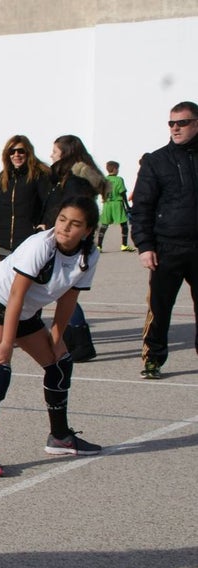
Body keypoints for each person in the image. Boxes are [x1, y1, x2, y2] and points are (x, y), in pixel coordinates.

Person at [0, 195, 103, 477]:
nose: (65, 227)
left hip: (25, 311)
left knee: (61, 362)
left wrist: (57, 338)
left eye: (75, 224)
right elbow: (16, 295)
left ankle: (60, 437)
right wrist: (7, 343)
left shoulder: (89, 255)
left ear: (87, 230)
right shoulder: (41, 244)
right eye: (62, 219)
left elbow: (68, 300)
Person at [130, 100, 198, 380]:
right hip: (166, 248)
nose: (175, 128)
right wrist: (145, 246)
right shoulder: (156, 161)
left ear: (196, 124)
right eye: (171, 123)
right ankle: (153, 359)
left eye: (182, 122)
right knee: (159, 309)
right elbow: (141, 207)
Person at [40, 135, 109, 362]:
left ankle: (81, 341)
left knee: (63, 290)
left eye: (55, 151)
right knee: (63, 290)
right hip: (73, 240)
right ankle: (72, 338)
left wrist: (51, 226)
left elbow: (70, 211)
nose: (51, 155)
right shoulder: (77, 177)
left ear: (66, 153)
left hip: (69, 242)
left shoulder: (74, 180)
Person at [0, 135, 50, 260]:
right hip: (5, 244)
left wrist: (41, 228)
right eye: (12, 151)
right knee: (7, 273)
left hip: (29, 242)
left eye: (21, 151)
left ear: (28, 153)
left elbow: (48, 205)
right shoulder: (3, 177)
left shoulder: (39, 175)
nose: (16, 155)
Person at [98, 161, 133, 252]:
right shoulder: (119, 179)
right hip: (117, 203)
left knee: (104, 225)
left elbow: (102, 192)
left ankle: (99, 246)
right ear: (114, 169)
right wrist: (127, 205)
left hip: (107, 204)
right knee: (124, 224)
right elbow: (122, 193)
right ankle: (124, 245)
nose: (118, 171)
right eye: (117, 169)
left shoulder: (104, 180)